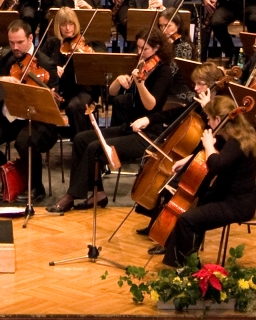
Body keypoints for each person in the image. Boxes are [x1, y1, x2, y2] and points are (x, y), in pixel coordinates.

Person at [48, 29, 177, 214]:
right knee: (81, 139)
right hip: (129, 127)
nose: (140, 52)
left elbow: (151, 105)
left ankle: (71, 195)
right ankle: (97, 193)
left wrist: (140, 84)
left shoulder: (163, 72)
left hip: (147, 134)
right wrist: (118, 80)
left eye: (145, 49)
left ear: (157, 48)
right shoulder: (141, 65)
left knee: (95, 147)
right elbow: (112, 93)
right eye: (138, 47)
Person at [149, 66, 256, 266]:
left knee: (187, 219)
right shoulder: (234, 136)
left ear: (218, 119)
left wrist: (208, 144)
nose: (208, 123)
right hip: (226, 195)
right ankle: (186, 262)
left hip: (238, 203)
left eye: (209, 118)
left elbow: (216, 165)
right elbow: (213, 158)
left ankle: (187, 268)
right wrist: (190, 160)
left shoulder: (237, 142)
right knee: (196, 206)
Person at [0, 20, 59, 203]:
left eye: (20, 42)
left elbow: (55, 100)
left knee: (24, 141)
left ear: (30, 38)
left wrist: (48, 95)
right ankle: (9, 176)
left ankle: (36, 186)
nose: (15, 47)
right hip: (8, 118)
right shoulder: (6, 56)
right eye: (11, 43)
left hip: (37, 120)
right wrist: (3, 79)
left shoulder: (46, 63)